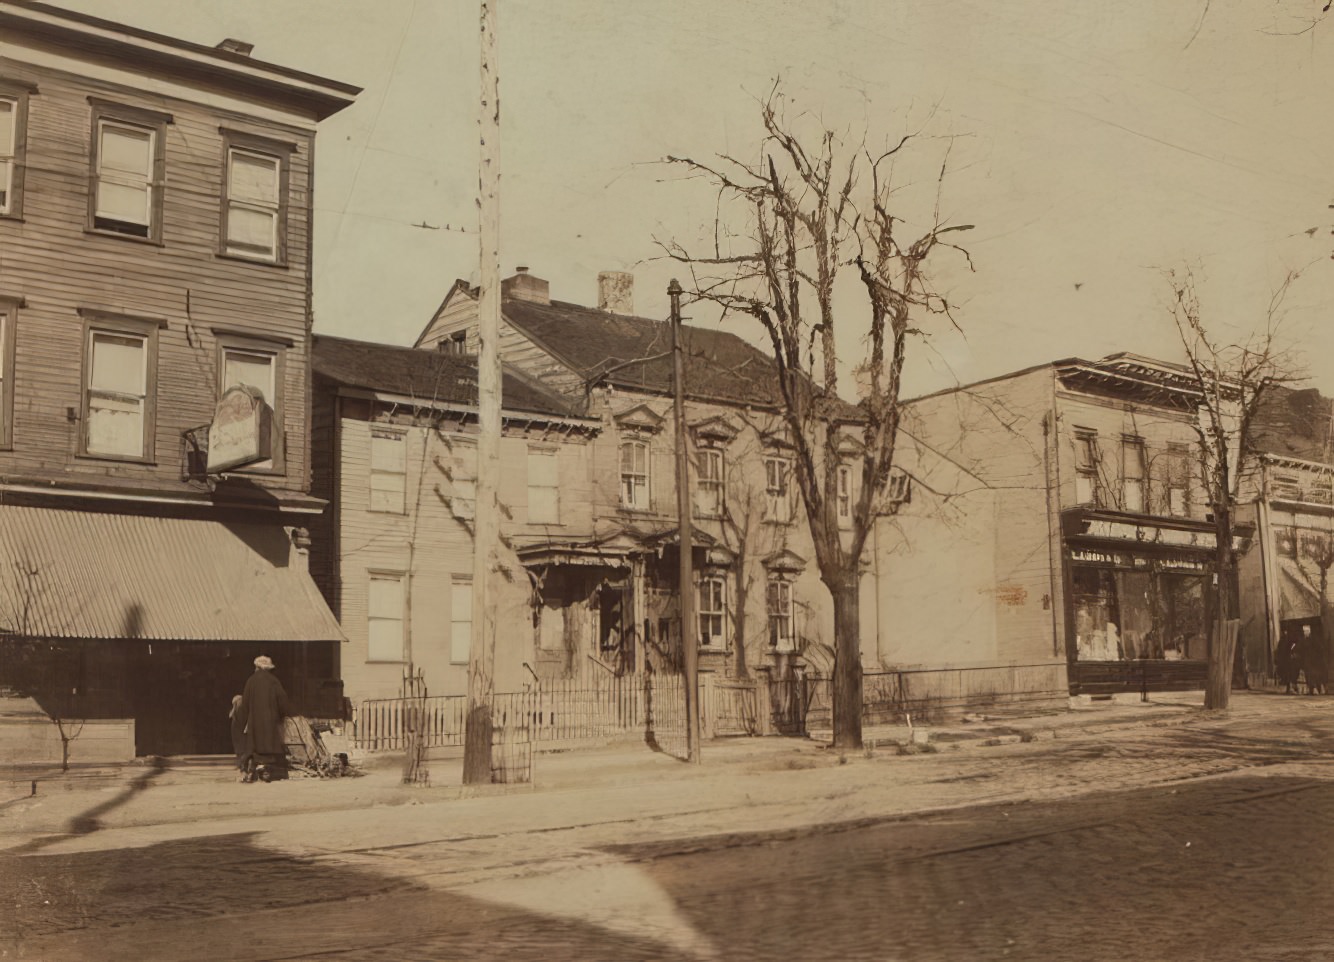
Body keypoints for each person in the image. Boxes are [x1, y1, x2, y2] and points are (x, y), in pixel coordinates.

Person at [237, 655, 292, 782]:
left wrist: (242, 721)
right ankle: (267, 769)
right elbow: (283, 701)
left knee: (255, 745)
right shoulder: (274, 681)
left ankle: (254, 769)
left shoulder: (251, 680)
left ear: (257, 667)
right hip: (271, 720)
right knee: (270, 744)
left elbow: (244, 704)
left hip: (254, 721)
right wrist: (282, 715)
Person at [229, 694, 251, 776]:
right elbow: (230, 715)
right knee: (238, 747)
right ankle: (239, 765)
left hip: (242, 729)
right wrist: (234, 706)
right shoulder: (236, 709)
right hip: (236, 730)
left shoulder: (244, 708)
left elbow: (248, 718)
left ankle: (243, 766)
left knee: (243, 748)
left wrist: (247, 727)